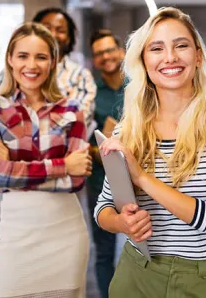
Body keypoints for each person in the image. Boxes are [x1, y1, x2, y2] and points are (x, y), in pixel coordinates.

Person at [94, 7, 206, 298]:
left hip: (199, 279)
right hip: (135, 274)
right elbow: (103, 206)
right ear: (144, 61)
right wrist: (122, 223)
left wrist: (142, 179)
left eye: (181, 45)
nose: (170, 57)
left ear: (198, 56)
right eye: (156, 48)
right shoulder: (127, 131)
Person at [0, 22, 92, 298]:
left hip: (65, 233)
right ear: (10, 59)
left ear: (53, 62)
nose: (32, 65)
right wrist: (63, 165)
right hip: (16, 235)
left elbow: (76, 180)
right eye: (23, 56)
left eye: (41, 56)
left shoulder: (71, 109)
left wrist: (14, 169)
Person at [0, 7, 96, 126]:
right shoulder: (15, 69)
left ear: (69, 38)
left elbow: (75, 124)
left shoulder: (81, 76)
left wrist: (20, 133)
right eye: (47, 28)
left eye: (60, 30)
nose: (52, 34)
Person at [87, 28, 126, 298]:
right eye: (99, 53)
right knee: (103, 251)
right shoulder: (89, 94)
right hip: (100, 181)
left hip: (142, 179)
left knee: (148, 243)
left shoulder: (141, 87)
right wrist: (95, 151)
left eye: (110, 50)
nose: (106, 56)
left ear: (121, 52)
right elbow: (78, 141)